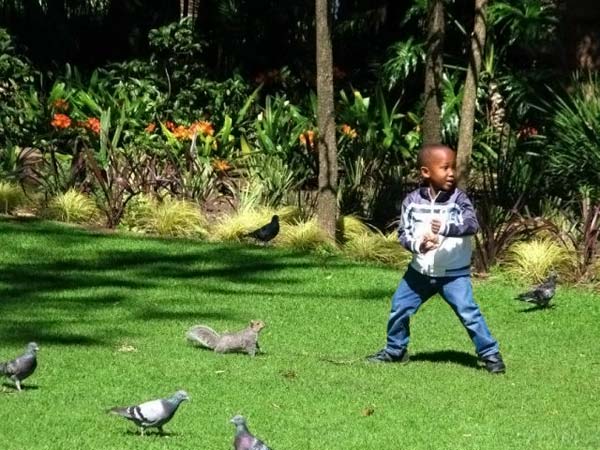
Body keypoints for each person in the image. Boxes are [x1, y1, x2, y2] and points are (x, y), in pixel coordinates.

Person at [366, 144, 505, 373]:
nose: (451, 173)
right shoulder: (412, 202)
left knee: (468, 312)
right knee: (399, 308)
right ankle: (395, 351)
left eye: (453, 168)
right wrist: (418, 245)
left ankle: (491, 354)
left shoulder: (459, 200)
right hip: (419, 273)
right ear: (426, 172)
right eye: (445, 168)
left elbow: (472, 225)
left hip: (454, 274)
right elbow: (403, 233)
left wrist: (446, 228)